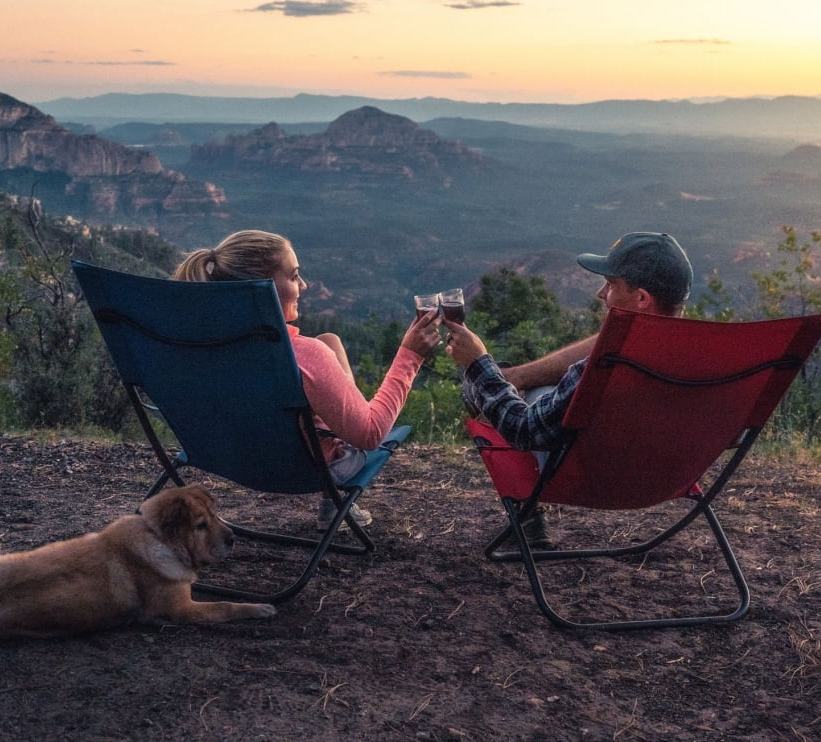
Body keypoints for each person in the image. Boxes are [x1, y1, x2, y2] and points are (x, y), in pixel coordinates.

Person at [173, 229, 442, 530]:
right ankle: (334, 498)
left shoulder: (194, 344)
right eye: (294, 276)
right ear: (262, 287)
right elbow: (370, 435)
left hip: (225, 457)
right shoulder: (305, 357)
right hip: (302, 468)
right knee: (355, 415)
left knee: (330, 340)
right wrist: (411, 355)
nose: (304, 285)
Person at [444, 232, 693, 544]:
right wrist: (516, 377)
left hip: (590, 477)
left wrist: (478, 363)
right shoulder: (710, 360)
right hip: (670, 476)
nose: (601, 294)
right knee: (531, 388)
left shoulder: (604, 370)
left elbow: (524, 430)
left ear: (642, 299)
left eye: (612, 284)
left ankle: (528, 518)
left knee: (507, 394)